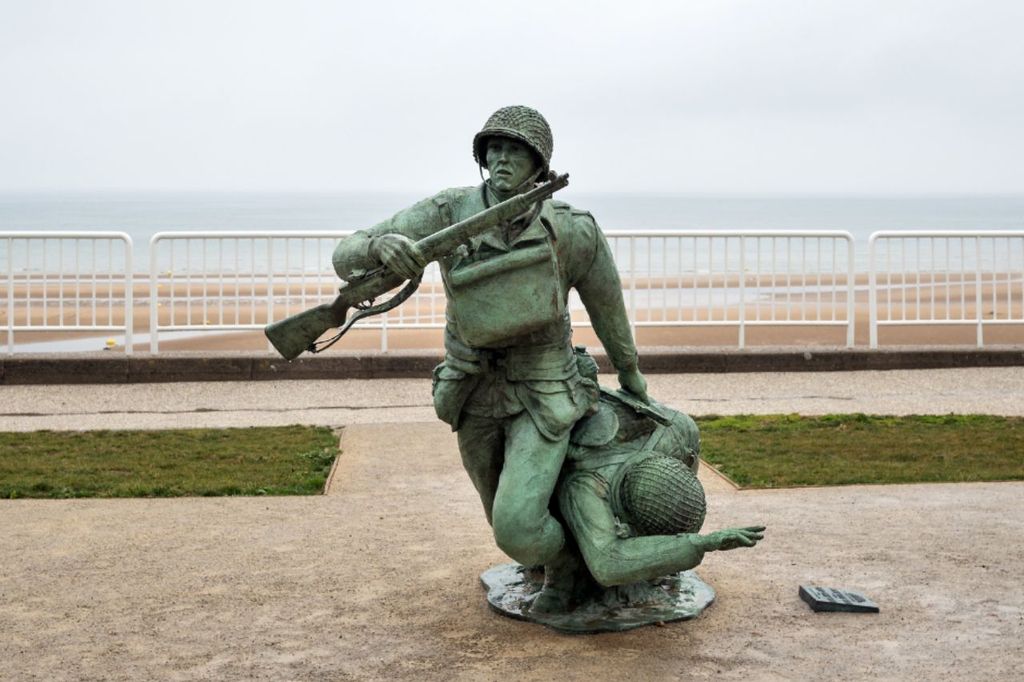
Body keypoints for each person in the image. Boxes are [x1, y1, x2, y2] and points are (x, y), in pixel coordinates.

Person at [331, 105, 647, 582]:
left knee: (516, 527)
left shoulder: (572, 227)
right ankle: (561, 562)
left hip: (543, 388)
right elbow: (346, 254)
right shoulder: (447, 212)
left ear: (539, 164)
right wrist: (379, 247)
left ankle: (574, 571)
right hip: (471, 388)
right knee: (500, 516)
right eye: (494, 149)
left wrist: (629, 371)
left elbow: (607, 306)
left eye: (515, 151)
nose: (502, 159)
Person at [554, 391, 764, 600]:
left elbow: (688, 468)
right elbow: (607, 564)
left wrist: (675, 549)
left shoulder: (678, 431)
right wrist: (698, 543)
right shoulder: (584, 487)